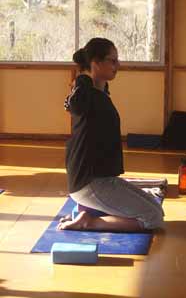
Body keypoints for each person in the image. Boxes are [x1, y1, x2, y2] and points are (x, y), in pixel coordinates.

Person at [57, 37, 164, 232]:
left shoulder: (100, 92)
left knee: (156, 207)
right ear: (95, 64)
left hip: (105, 178)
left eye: (117, 60)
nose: (118, 65)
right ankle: (90, 221)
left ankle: (90, 209)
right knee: (154, 218)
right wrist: (81, 80)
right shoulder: (84, 92)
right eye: (112, 60)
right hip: (90, 182)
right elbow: (77, 103)